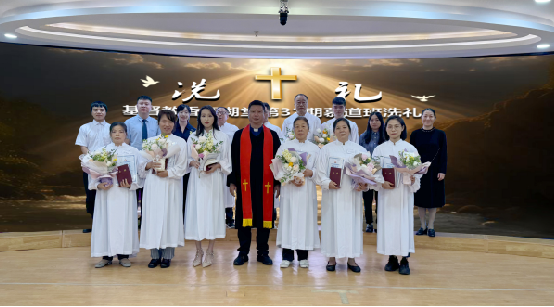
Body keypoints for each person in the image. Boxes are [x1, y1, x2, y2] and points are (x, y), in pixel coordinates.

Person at [89, 122, 154, 268]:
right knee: (106, 223)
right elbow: (92, 174)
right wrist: (98, 184)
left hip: (125, 194)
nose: (117, 134)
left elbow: (141, 174)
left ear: (126, 134)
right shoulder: (101, 151)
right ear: (110, 134)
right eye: (114, 131)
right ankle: (106, 256)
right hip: (106, 194)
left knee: (124, 222)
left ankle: (124, 255)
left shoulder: (134, 152)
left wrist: (132, 184)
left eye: (121, 131)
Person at [229, 100, 281, 266]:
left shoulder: (272, 136)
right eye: (253, 112)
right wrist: (232, 181)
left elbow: (278, 161)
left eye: (260, 112)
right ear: (248, 113)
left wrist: (277, 183)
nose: (256, 115)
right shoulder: (239, 135)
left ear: (265, 114)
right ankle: (243, 252)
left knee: (264, 218)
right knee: (244, 218)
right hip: (245, 184)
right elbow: (233, 160)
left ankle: (262, 252)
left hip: (265, 185)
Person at [314, 118, 370, 273]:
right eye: (337, 128)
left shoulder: (359, 150)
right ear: (334, 132)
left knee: (352, 225)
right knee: (331, 224)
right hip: (332, 195)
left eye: (344, 127)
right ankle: (331, 258)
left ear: (349, 130)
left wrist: (363, 184)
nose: (341, 130)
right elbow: (319, 173)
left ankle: (351, 259)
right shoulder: (326, 150)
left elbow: (367, 174)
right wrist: (327, 183)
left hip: (352, 195)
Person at [370, 115, 421, 275]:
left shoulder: (410, 149)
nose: (393, 129)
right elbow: (374, 171)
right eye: (390, 126)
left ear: (402, 128)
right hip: (386, 194)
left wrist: (413, 178)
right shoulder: (380, 150)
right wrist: (381, 182)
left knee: (403, 225)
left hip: (403, 194)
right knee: (388, 225)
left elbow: (417, 174)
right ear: (385, 129)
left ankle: (405, 259)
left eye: (396, 126)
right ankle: (391, 258)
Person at [185, 106, 232, 268]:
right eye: (203, 116)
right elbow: (186, 159)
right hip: (198, 179)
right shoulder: (193, 137)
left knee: (213, 212)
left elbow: (227, 160)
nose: (206, 119)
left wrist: (218, 165)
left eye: (209, 116)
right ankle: (198, 251)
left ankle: (210, 251)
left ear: (215, 118)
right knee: (197, 212)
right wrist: (192, 162)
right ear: (199, 118)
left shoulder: (222, 137)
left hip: (214, 180)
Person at [140, 110, 188, 269]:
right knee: (153, 217)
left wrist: (169, 172)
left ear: (174, 124)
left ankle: (167, 256)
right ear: (158, 123)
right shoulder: (150, 141)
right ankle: (154, 256)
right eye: (163, 121)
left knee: (169, 217)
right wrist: (148, 165)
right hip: (153, 184)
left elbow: (183, 166)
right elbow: (140, 166)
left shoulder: (180, 142)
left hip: (171, 184)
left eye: (170, 121)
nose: (167, 124)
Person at [276, 116, 321, 269]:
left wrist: (311, 172)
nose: (300, 129)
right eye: (297, 126)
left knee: (305, 221)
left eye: (303, 126)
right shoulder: (285, 147)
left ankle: (303, 256)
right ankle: (287, 256)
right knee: (288, 220)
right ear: (293, 129)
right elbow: (277, 168)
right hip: (289, 190)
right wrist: (289, 177)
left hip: (307, 191)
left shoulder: (315, 149)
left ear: (308, 129)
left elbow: (320, 171)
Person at [410, 108, 448, 238]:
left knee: (433, 200)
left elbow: (444, 154)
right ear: (421, 117)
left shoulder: (440, 134)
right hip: (419, 171)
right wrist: (413, 171)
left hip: (435, 171)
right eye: (425, 116)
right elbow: (411, 155)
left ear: (434, 118)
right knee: (420, 200)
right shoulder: (415, 134)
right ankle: (422, 226)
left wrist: (442, 171)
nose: (428, 119)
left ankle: (431, 226)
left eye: (431, 116)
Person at [124, 96, 161, 226]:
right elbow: (126, 142)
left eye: (146, 104)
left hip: (150, 162)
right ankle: (132, 220)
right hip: (134, 161)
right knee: (133, 191)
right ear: (137, 106)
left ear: (151, 107)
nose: (144, 106)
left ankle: (146, 220)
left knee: (148, 192)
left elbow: (159, 143)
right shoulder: (129, 123)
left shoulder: (156, 123)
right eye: (141, 103)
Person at [75, 101, 111, 233]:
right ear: (91, 112)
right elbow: (83, 146)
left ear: (105, 112)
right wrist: (93, 161)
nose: (99, 112)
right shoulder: (84, 127)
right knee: (91, 194)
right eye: (95, 109)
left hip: (108, 166)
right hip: (90, 166)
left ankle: (107, 225)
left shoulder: (111, 127)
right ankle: (95, 224)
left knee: (107, 193)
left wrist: (107, 162)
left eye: (101, 109)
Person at [359, 111, 385, 233]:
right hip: (367, 174)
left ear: (381, 122)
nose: (374, 122)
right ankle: (369, 223)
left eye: (377, 120)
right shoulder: (363, 137)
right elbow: (359, 155)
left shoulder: (386, 137)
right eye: (372, 120)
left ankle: (380, 223)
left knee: (380, 199)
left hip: (381, 174)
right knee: (367, 200)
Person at [172, 104, 196, 219]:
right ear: (177, 113)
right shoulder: (171, 128)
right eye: (181, 112)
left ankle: (185, 217)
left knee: (186, 190)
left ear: (189, 115)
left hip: (188, 166)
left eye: (186, 112)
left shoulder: (193, 131)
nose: (183, 114)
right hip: (173, 164)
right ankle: (174, 216)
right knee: (174, 191)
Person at [217, 107, 239, 228]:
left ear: (228, 116)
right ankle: (218, 219)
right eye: (218, 113)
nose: (220, 115)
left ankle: (230, 218)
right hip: (214, 165)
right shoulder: (211, 129)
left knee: (228, 190)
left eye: (223, 113)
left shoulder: (233, 129)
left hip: (229, 164)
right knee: (217, 192)